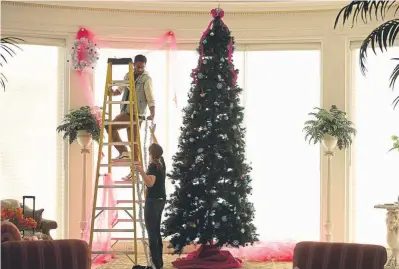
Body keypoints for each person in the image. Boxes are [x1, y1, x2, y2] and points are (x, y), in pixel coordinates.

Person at [106, 54, 156, 162]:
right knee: (134, 142)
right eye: (138, 67)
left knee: (110, 127)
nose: (140, 69)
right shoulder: (128, 76)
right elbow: (120, 90)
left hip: (137, 114)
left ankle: (123, 152)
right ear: (133, 65)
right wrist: (112, 92)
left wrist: (152, 114)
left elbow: (150, 97)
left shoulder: (146, 79)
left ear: (145, 66)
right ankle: (135, 172)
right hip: (127, 111)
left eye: (142, 67)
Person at [135, 124, 166, 269]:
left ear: (152, 154)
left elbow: (150, 183)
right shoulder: (161, 162)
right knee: (156, 230)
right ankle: (158, 262)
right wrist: (153, 133)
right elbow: (157, 146)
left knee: (152, 232)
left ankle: (154, 264)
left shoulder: (153, 166)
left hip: (153, 201)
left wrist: (140, 170)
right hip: (160, 200)